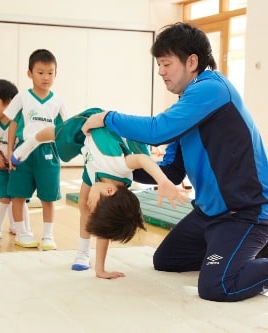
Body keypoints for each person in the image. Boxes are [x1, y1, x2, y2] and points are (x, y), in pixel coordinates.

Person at [81, 22, 268, 301]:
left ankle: (241, 250)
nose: (161, 71)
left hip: (245, 213)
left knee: (217, 286)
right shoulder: (187, 104)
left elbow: (158, 131)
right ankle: (235, 251)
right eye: (159, 64)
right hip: (209, 214)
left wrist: (107, 117)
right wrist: (120, 169)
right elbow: (171, 169)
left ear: (192, 61)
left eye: (166, 63)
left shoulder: (212, 89)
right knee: (166, 260)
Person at [14, 108, 189, 277]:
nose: (91, 204)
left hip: (92, 161)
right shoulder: (119, 164)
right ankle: (31, 142)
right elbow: (142, 159)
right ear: (110, 191)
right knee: (59, 134)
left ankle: (82, 255)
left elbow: (104, 225)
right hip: (95, 123)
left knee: (85, 206)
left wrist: (100, 269)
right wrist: (163, 181)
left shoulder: (102, 188)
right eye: (95, 203)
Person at [3, 49, 68, 250]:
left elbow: (64, 130)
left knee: (48, 197)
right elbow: (12, 125)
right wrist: (9, 152)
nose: (46, 77)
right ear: (29, 73)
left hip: (48, 152)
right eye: (40, 72)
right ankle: (22, 233)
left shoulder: (58, 102)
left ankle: (48, 236)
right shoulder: (22, 98)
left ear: (56, 74)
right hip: (23, 151)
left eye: (50, 72)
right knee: (18, 194)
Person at [0, 79, 27, 241]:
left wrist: (15, 158)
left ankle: (23, 228)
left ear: (9, 102)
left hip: (18, 165)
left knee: (19, 198)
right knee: (3, 197)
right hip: (1, 165)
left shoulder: (20, 121)